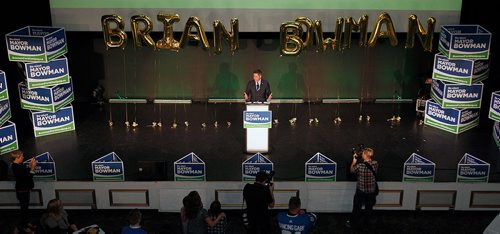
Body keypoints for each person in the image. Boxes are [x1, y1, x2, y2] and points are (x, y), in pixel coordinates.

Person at [346, 147, 378, 229]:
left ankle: (353, 223)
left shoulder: (360, 166)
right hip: (371, 192)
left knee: (357, 208)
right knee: (369, 208)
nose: (362, 154)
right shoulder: (375, 164)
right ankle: (367, 223)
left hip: (361, 191)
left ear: (365, 155)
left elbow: (351, 170)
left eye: (363, 153)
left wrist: (354, 160)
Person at [10, 150, 36, 224]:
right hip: (22, 191)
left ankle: (26, 224)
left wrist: (30, 166)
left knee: (25, 209)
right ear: (17, 157)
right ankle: (24, 226)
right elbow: (28, 177)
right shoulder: (16, 166)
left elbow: (25, 173)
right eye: (22, 156)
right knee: (24, 210)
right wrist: (33, 168)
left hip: (23, 190)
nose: (23, 157)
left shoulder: (17, 165)